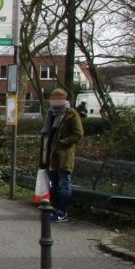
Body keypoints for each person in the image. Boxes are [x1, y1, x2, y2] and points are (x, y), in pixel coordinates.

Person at [41, 88, 84, 222]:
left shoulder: (71, 114)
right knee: (54, 185)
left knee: (64, 184)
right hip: (49, 155)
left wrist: (62, 142)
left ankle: (62, 211)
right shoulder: (50, 113)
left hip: (63, 156)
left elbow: (78, 134)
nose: (54, 101)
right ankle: (53, 210)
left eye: (57, 98)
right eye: (52, 98)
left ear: (64, 100)